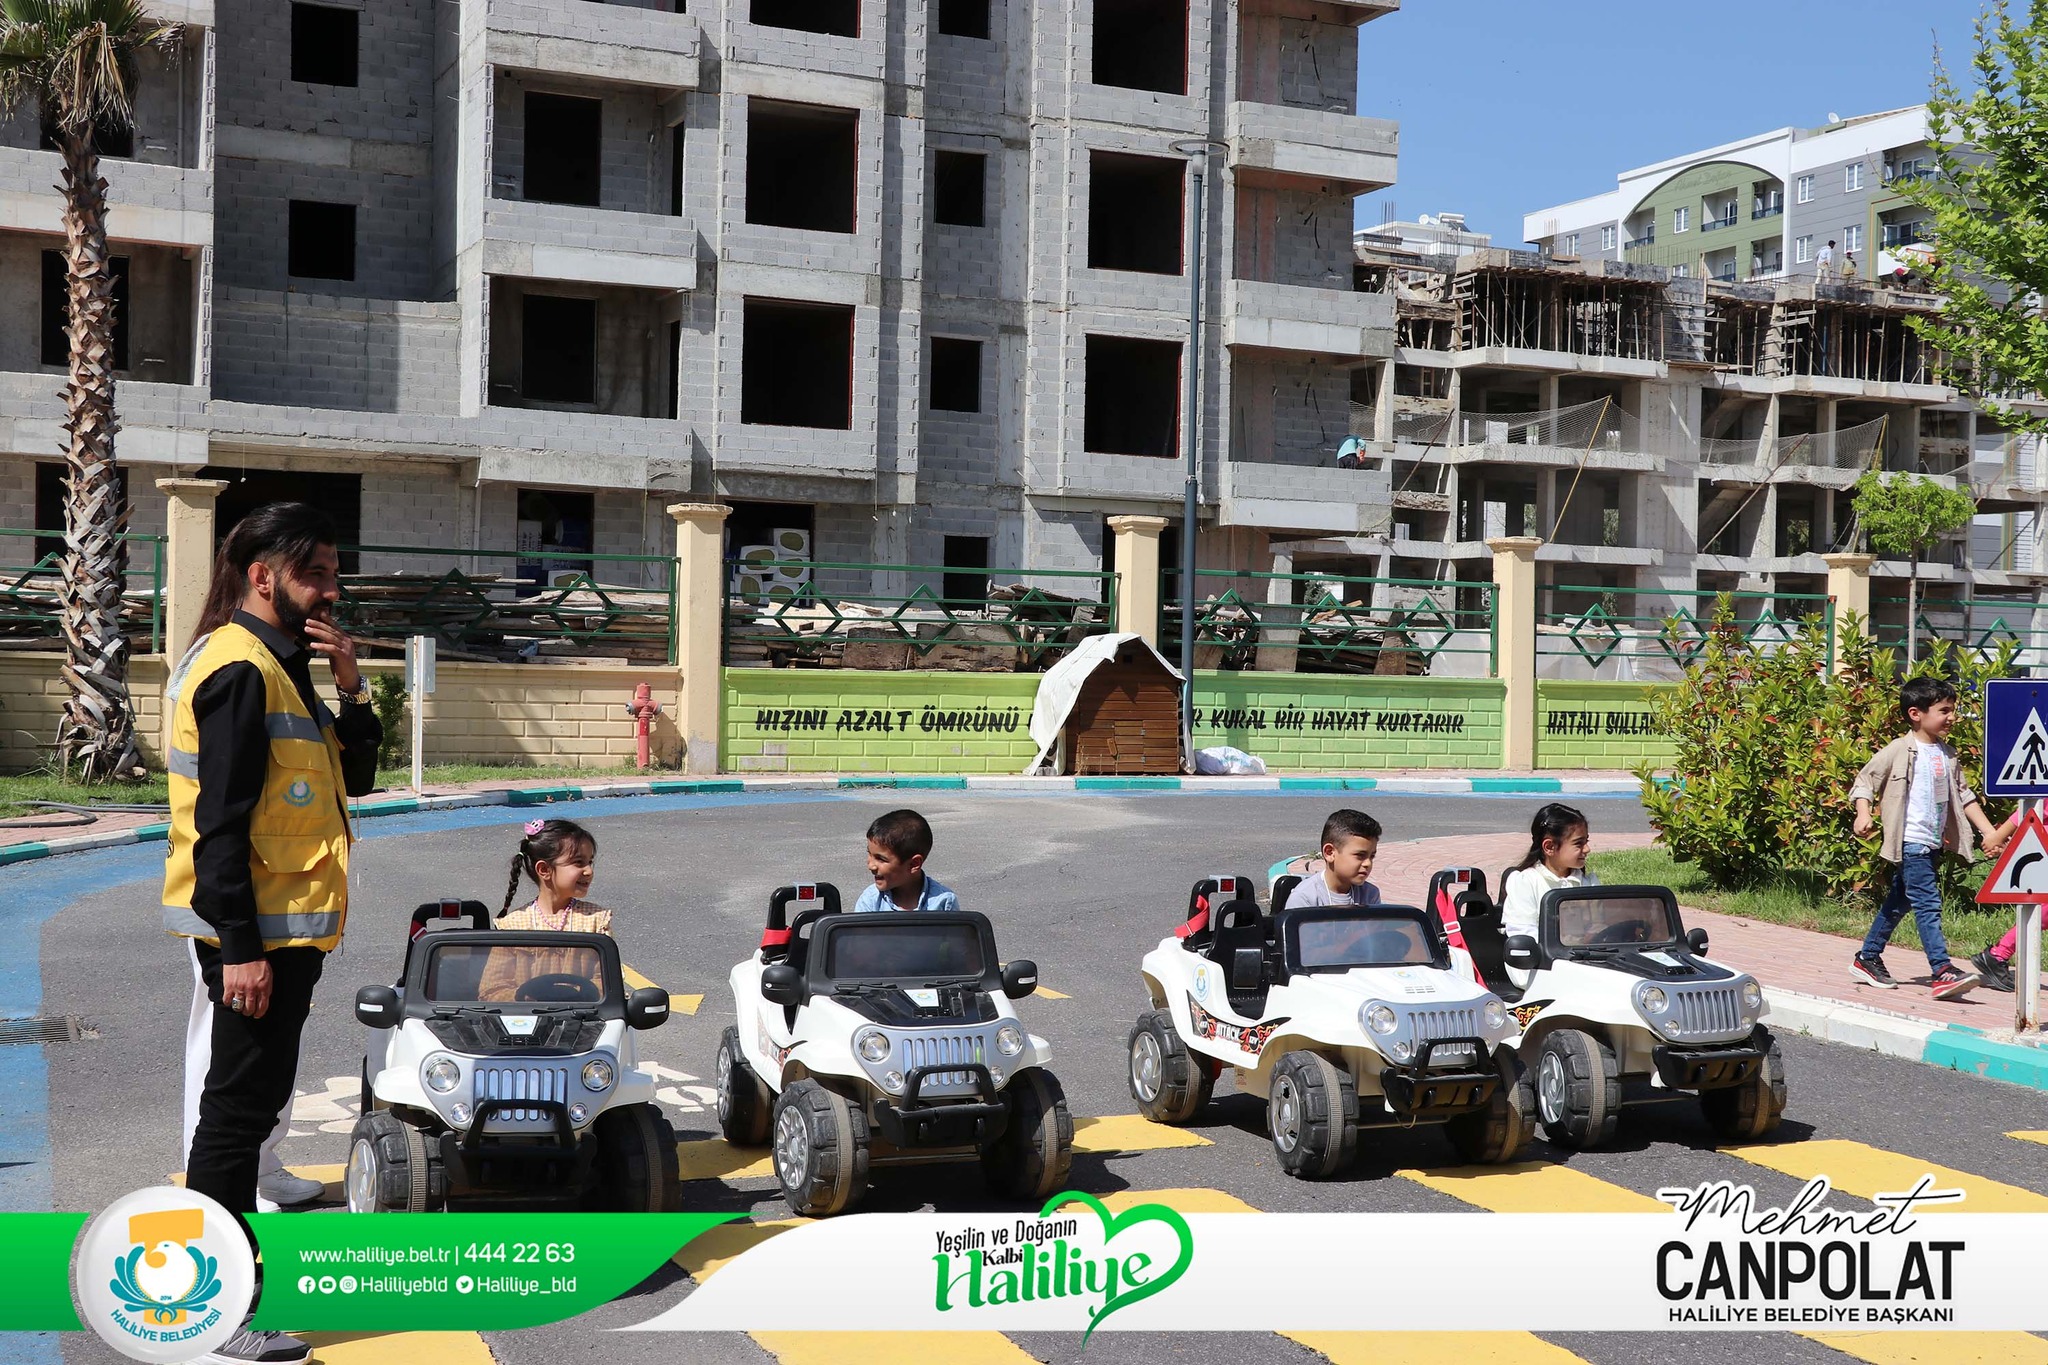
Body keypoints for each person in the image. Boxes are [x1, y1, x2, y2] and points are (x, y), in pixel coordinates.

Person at [161, 503, 381, 1365]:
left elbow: (357, 776)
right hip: (253, 939)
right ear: (263, 576)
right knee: (231, 1121)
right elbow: (218, 829)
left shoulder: (283, 666)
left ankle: (220, 1294)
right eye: (315, 573)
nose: (332, 590)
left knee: (245, 1116)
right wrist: (242, 950)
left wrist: (352, 683)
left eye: (334, 574)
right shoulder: (239, 669)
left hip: (285, 940)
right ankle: (217, 1312)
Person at [1851, 677, 2011, 998]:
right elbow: (1865, 780)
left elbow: (1964, 796)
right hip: (1910, 840)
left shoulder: (1947, 754)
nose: (1952, 717)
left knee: (1899, 901)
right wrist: (1863, 813)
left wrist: (1990, 832)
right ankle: (1942, 969)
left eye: (1952, 710)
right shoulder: (1899, 750)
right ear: (1916, 713)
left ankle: (1867, 957)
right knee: (1928, 904)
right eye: (1944, 711)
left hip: (1932, 842)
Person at [479, 818, 612, 1001]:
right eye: (578, 862)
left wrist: (578, 995)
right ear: (544, 870)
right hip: (525, 1016)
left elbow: (608, 982)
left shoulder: (595, 920)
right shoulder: (513, 926)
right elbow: (492, 990)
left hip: (582, 1015)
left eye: (590, 862)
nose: (589, 871)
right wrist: (525, 998)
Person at [1500, 803, 1598, 989]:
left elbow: (1601, 925)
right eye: (1579, 843)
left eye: (1586, 841)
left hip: (1584, 962)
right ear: (1549, 847)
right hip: (1535, 967)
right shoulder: (1526, 882)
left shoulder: (1589, 883)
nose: (1587, 849)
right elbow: (1522, 934)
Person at [853, 808, 959, 912]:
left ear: (914, 864)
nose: (871, 866)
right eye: (869, 854)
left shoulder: (944, 902)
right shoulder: (870, 900)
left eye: (881, 859)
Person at [1285, 809, 1384, 908]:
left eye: (1372, 856)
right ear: (1330, 853)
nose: (1368, 863)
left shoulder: (1370, 894)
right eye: (1360, 855)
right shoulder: (1305, 898)